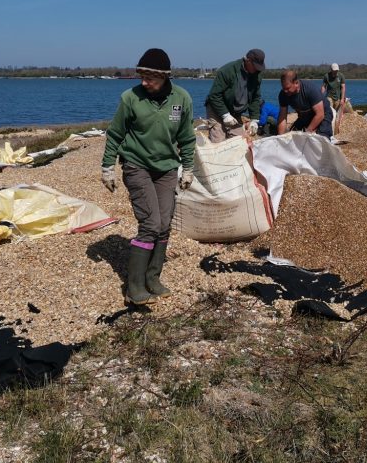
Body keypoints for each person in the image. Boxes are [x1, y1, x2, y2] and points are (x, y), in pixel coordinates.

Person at [101, 48, 196, 305]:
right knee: (151, 224)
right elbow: (116, 133)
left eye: (150, 77)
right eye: (142, 76)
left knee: (164, 224)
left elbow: (187, 138)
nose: (144, 82)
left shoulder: (181, 99)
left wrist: (188, 168)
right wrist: (107, 166)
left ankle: (153, 279)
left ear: (165, 77)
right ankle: (134, 286)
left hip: (166, 169)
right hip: (136, 166)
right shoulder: (131, 98)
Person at [204, 49, 265, 143]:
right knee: (219, 141)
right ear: (247, 60)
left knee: (240, 141)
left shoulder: (257, 75)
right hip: (216, 109)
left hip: (235, 112)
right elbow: (214, 95)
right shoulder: (227, 71)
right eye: (255, 66)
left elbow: (255, 98)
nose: (257, 69)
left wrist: (254, 120)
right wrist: (225, 114)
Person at [277, 70, 333, 138]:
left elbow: (320, 114)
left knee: (321, 138)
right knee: (293, 136)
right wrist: (280, 137)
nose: (285, 91)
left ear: (296, 83)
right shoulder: (283, 94)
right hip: (304, 116)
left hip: (323, 113)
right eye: (283, 88)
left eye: (288, 88)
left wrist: (307, 132)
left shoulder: (310, 89)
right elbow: (282, 118)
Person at [321, 63, 347, 130]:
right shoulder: (326, 76)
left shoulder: (341, 76)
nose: (335, 72)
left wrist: (342, 99)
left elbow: (343, 87)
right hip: (329, 96)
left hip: (338, 97)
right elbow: (324, 87)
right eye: (334, 70)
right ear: (331, 70)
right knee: (330, 112)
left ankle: (336, 128)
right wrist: (320, 96)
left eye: (336, 70)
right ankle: (328, 127)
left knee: (337, 114)